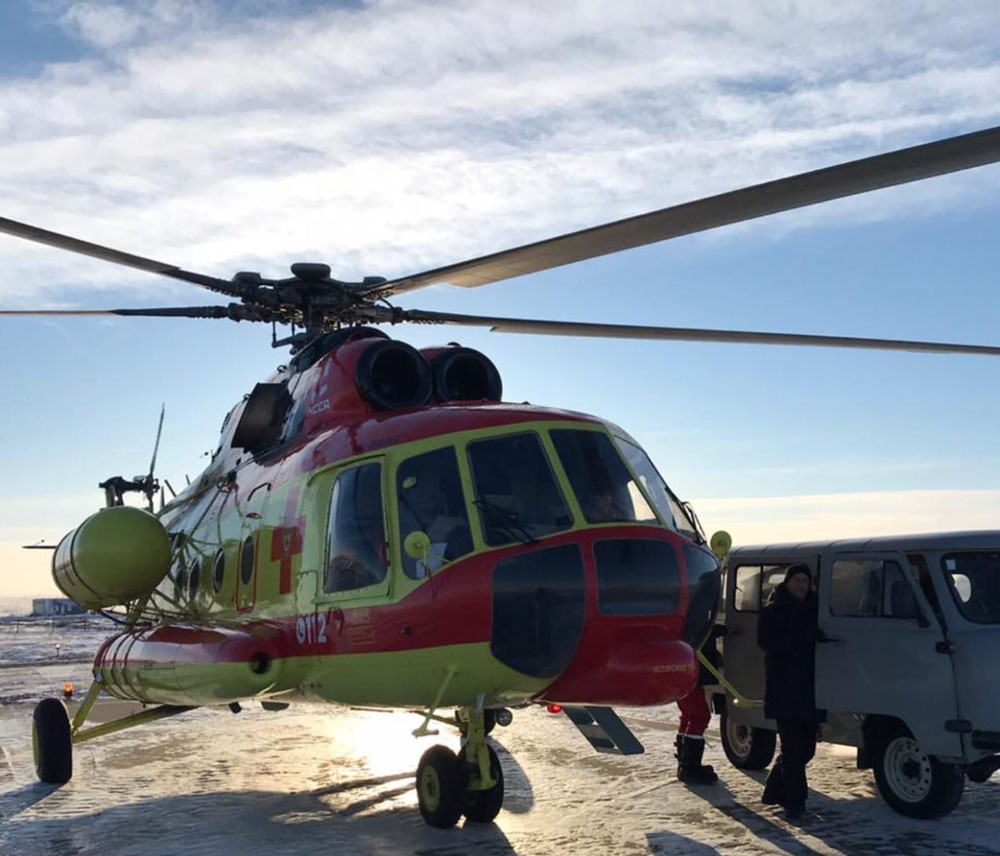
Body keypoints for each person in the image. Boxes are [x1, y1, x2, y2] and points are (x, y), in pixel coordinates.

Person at [756, 563, 824, 819]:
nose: (801, 585)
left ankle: (773, 789)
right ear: (787, 583)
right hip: (783, 687)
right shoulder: (773, 610)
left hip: (811, 688)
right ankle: (796, 803)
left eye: (805, 581)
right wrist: (801, 638)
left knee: (806, 750)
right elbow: (765, 642)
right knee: (794, 749)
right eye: (796, 580)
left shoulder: (817, 610)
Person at [675, 623, 726, 784]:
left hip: (681, 672)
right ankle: (690, 767)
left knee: (688, 716)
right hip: (690, 673)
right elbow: (697, 628)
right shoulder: (695, 614)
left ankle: (685, 764)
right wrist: (717, 630)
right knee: (699, 716)